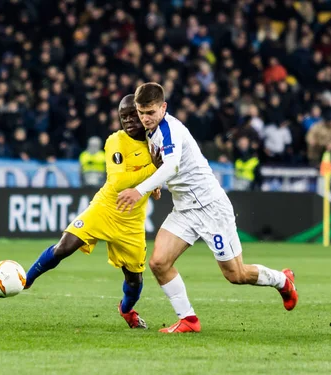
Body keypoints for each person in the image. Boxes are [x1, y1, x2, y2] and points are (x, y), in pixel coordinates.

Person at [117, 83, 298, 333]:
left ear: (163, 108)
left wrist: (140, 190)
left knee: (236, 275)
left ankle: (282, 280)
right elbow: (164, 168)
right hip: (184, 209)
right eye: (141, 112)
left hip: (210, 208)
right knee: (159, 262)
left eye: (150, 112)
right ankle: (189, 320)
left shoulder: (171, 129)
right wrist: (156, 184)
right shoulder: (150, 132)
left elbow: (172, 167)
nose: (145, 118)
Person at [24, 95, 160, 329]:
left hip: (132, 221)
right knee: (64, 246)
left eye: (132, 115)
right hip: (105, 207)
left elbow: (157, 175)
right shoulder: (115, 141)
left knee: (135, 280)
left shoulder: (155, 142)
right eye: (122, 116)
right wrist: (153, 170)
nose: (127, 120)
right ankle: (24, 281)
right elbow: (118, 181)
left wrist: (155, 183)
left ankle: (126, 310)